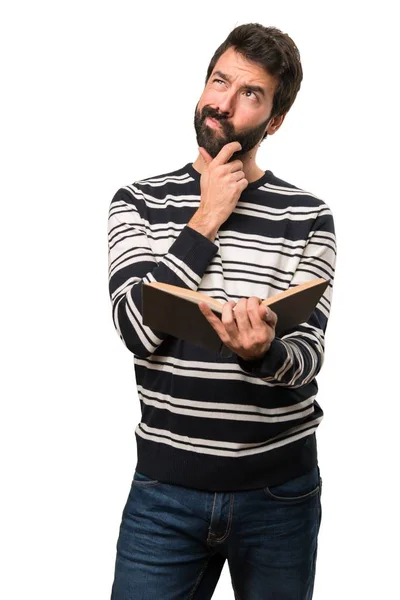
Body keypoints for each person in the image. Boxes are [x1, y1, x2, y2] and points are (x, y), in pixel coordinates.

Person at [108, 22, 336, 600]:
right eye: (219, 81)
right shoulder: (138, 201)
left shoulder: (309, 216)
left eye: (251, 94)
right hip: (164, 492)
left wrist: (266, 352)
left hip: (280, 495)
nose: (224, 104)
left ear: (275, 120)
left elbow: (307, 356)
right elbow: (135, 329)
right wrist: (205, 218)